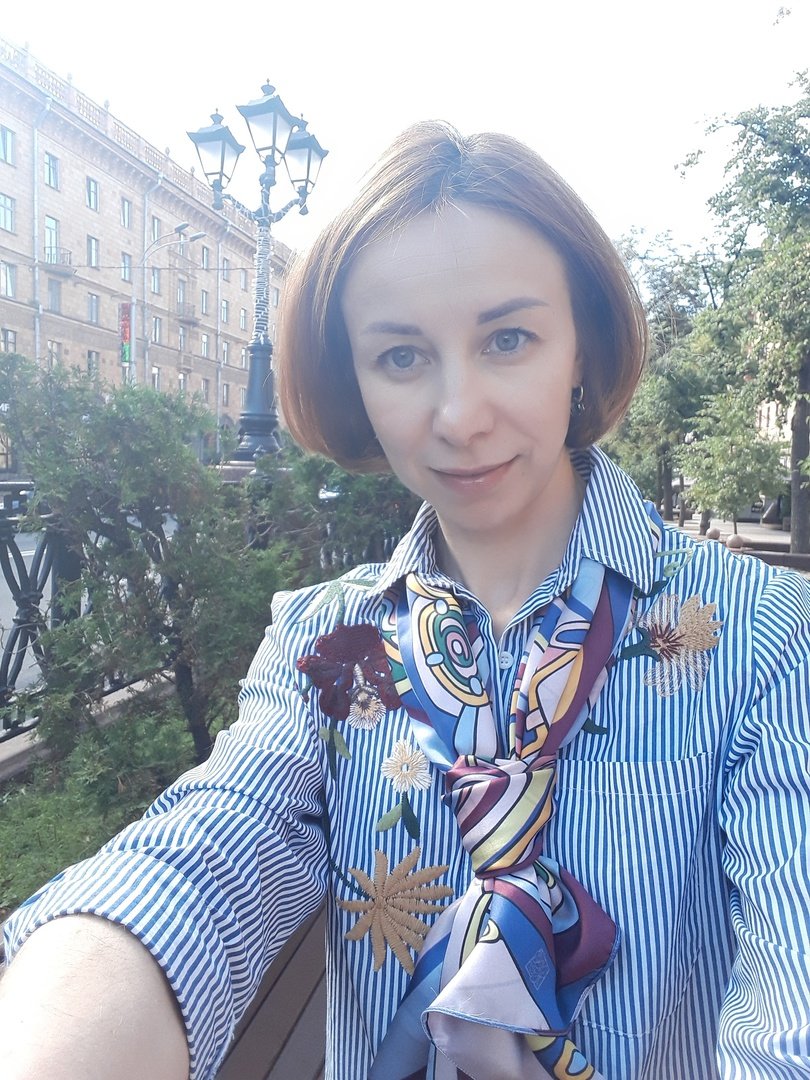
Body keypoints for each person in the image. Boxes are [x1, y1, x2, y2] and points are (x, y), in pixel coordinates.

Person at [1, 121, 809, 1080]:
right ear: (356, 382)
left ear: (582, 349)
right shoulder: (324, 641)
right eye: (400, 357)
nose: (459, 417)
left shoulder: (759, 637)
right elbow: (207, 852)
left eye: (508, 339)